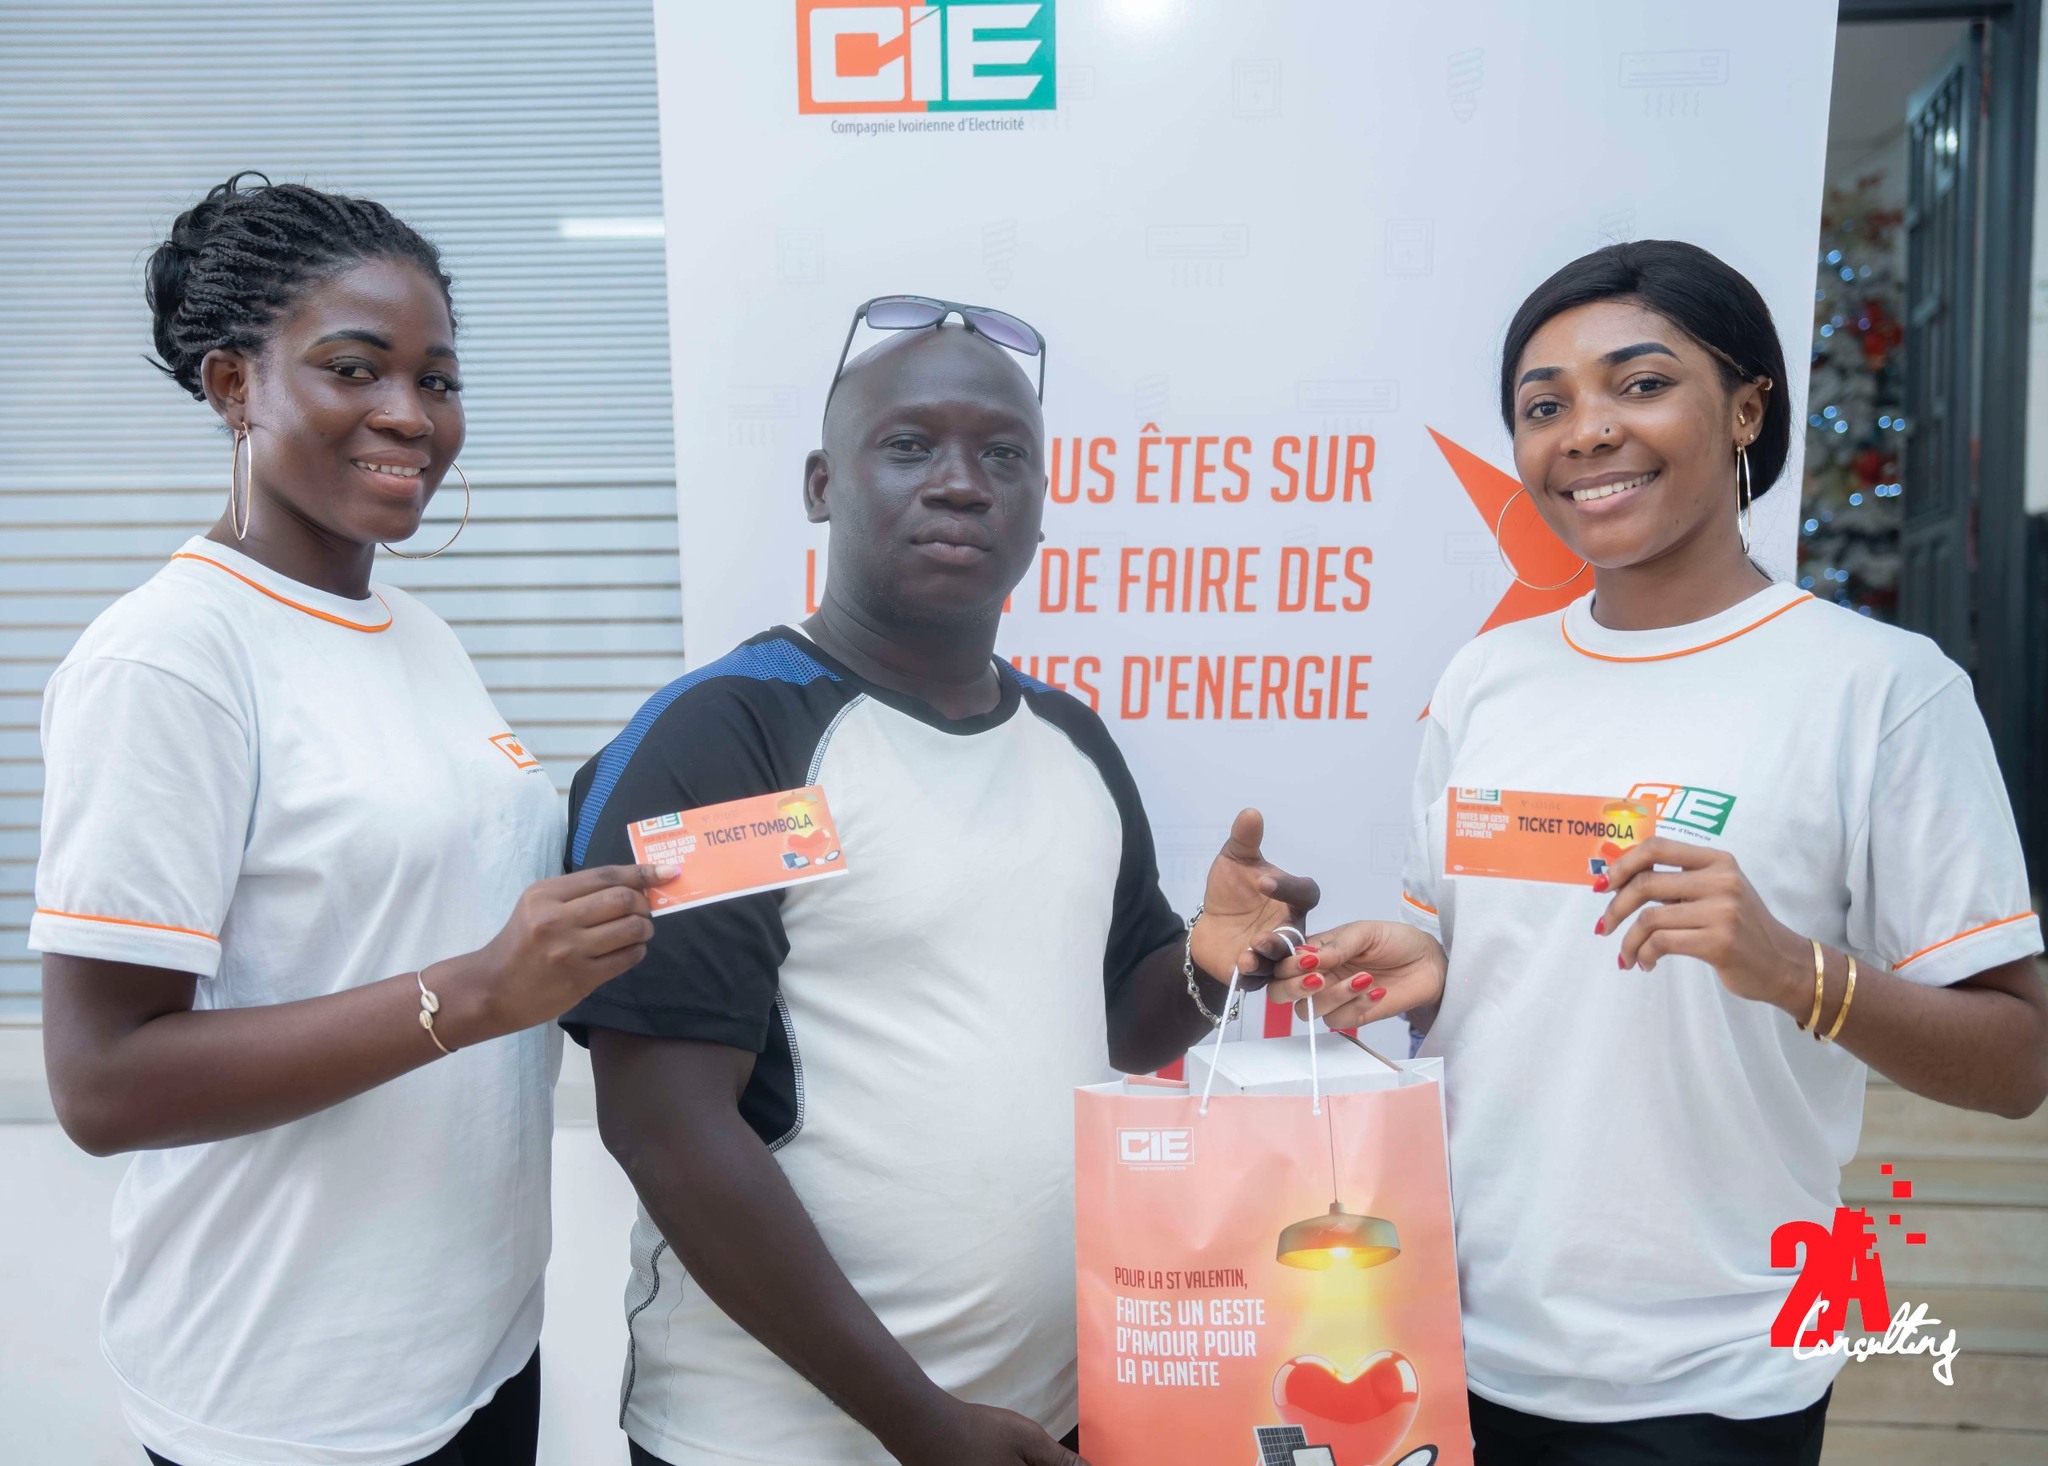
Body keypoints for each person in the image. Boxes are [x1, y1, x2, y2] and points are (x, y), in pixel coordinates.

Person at [1265, 241, 2047, 1465]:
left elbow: (2014, 1061)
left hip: (1716, 1371)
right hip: (1445, 1337)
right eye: (1543, 405)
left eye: (1638, 383)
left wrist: (1795, 970)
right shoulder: (1485, 678)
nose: (1585, 431)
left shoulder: (1881, 688)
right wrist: (1423, 968)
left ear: (1744, 409)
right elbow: (1496, 973)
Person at [564, 297, 1316, 1466]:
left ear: (1040, 505)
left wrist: (1207, 963)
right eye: (909, 445)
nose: (961, 483)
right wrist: (921, 1422)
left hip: (1036, 1415)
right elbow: (664, 1125)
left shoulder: (1070, 738)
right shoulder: (725, 739)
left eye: (1002, 455)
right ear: (822, 484)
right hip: (774, 1440)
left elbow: (1123, 1022)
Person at [32, 174, 669, 1466]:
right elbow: (103, 1082)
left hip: (475, 1346)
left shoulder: (415, 634)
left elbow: (426, 900)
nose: (409, 414)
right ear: (234, 385)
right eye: (353, 368)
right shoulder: (170, 658)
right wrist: (479, 990)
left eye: (438, 379)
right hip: (289, 1391)